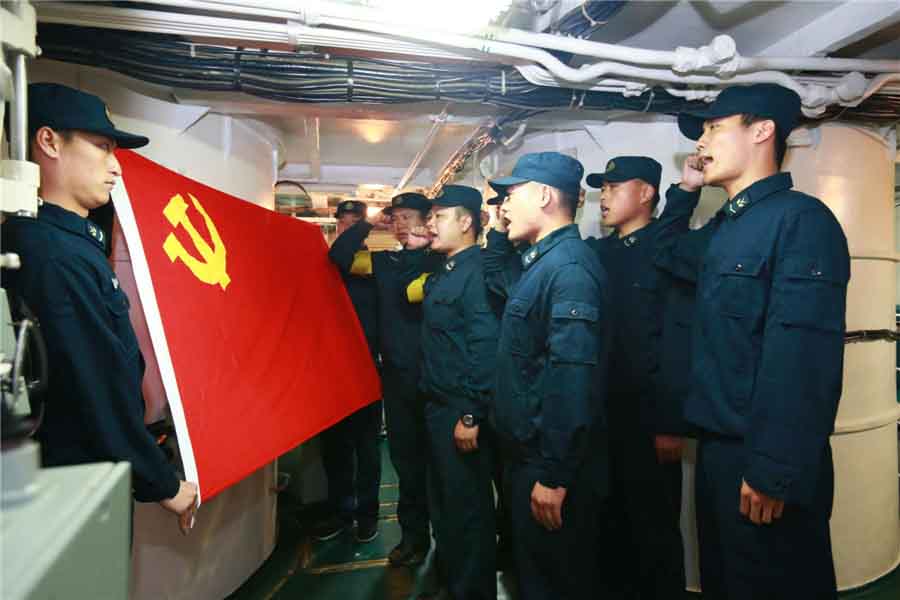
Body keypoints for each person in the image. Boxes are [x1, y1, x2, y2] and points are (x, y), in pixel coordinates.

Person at [660, 83, 850, 599]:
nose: (701, 142)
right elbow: (663, 253)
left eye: (714, 127)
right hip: (720, 455)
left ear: (762, 130)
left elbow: (803, 358)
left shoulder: (801, 220)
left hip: (763, 458)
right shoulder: (726, 227)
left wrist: (774, 469)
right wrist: (686, 191)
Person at [1, 82, 197, 533]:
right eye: (102, 147)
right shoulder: (53, 255)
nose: (115, 167)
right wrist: (163, 482)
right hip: (75, 483)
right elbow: (92, 383)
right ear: (48, 141)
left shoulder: (67, 243)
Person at [485, 152, 611, 600]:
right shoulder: (541, 263)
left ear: (542, 195)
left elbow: (571, 383)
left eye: (511, 195)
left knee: (556, 583)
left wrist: (555, 476)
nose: (503, 206)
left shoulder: (569, 270)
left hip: (550, 468)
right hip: (527, 460)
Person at [582, 155, 701, 598]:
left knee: (652, 529)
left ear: (647, 193)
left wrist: (670, 423)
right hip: (601, 417)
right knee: (607, 523)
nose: (604, 196)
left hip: (648, 421)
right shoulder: (598, 253)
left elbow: (677, 341)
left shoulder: (668, 249)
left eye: (614, 186)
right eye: (602, 188)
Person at [328, 192, 434, 564]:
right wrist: (369, 223)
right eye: (397, 217)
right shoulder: (385, 263)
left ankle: (450, 544)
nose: (403, 224)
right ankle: (414, 539)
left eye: (410, 216)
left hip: (438, 380)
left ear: (428, 219)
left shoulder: (443, 259)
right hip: (398, 379)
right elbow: (338, 258)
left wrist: (424, 248)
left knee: (442, 468)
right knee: (406, 463)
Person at [405, 185, 499, 600]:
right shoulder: (446, 269)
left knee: (467, 510)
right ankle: (450, 580)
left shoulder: (477, 272)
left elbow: (484, 349)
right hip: (437, 407)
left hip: (460, 411)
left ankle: (471, 590)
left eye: (439, 217)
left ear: (466, 223)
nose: (430, 223)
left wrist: (470, 415)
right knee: (444, 505)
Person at [317, 199, 383, 544]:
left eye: (352, 223)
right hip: (330, 374)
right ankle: (341, 512)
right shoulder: (328, 265)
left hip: (365, 371)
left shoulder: (372, 264)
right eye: (341, 224)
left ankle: (367, 514)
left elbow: (343, 253)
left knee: (366, 449)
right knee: (336, 449)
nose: (346, 229)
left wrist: (365, 225)